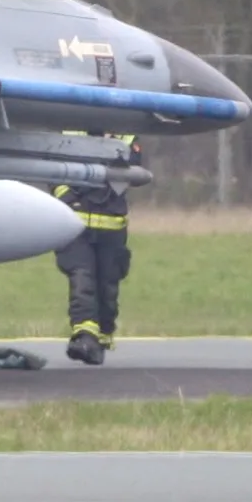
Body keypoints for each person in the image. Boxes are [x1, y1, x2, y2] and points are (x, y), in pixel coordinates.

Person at [52, 130, 142, 366]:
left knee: (108, 286)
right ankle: (84, 336)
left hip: (111, 225)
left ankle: (101, 337)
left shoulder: (126, 134)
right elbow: (53, 170)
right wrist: (68, 198)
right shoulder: (68, 131)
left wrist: (111, 145)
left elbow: (134, 172)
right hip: (76, 224)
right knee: (82, 278)